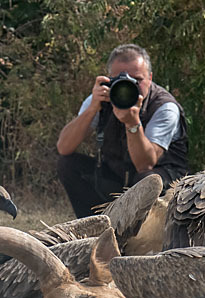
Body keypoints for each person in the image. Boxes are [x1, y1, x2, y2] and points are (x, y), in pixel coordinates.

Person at [56, 44, 189, 218]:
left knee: (146, 180)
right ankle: (92, 228)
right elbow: (64, 147)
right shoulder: (102, 97)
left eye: (137, 80)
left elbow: (145, 164)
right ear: (109, 79)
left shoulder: (164, 107)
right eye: (121, 79)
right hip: (117, 176)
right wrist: (92, 109)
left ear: (150, 77)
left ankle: (138, 237)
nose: (128, 86)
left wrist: (132, 123)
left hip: (161, 185)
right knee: (67, 164)